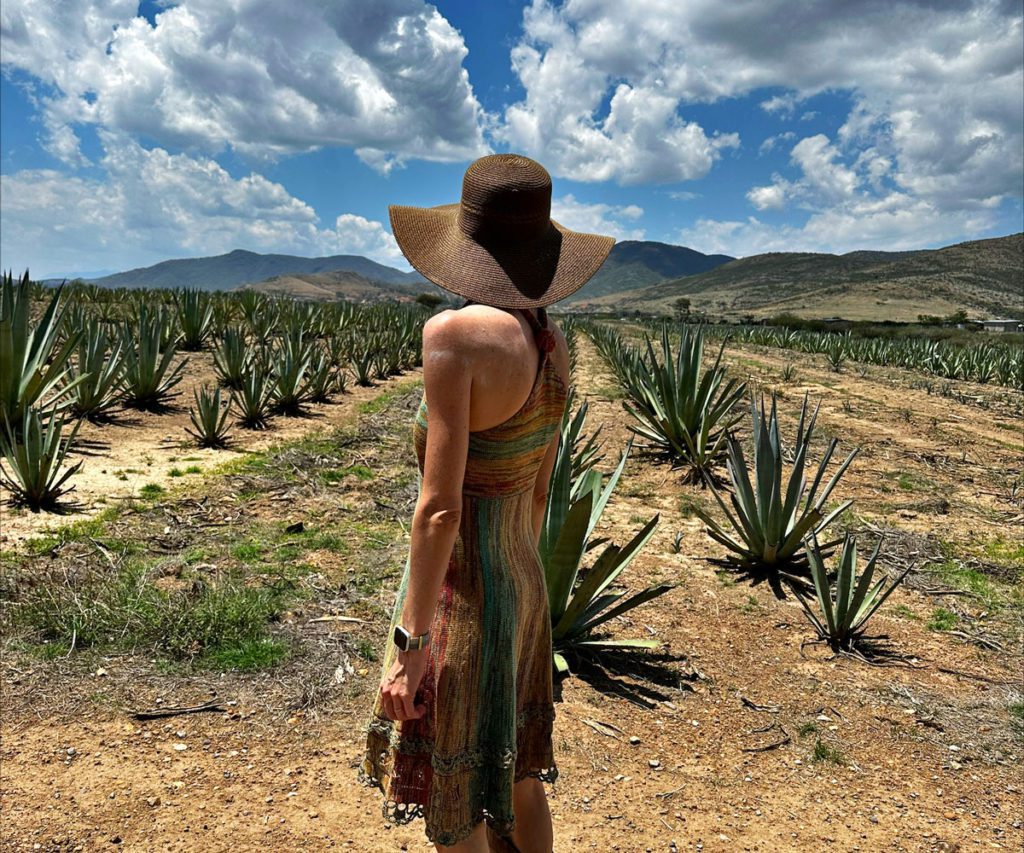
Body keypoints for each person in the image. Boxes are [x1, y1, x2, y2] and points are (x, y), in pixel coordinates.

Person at [356, 153, 615, 852]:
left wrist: (411, 644)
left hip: (462, 598)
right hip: (522, 581)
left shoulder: (455, 337)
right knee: (519, 777)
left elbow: (438, 508)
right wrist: (517, 581)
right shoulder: (552, 343)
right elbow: (537, 488)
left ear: (469, 247)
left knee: (457, 800)